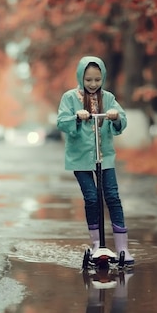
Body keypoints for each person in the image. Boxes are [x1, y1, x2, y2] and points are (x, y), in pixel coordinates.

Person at [56, 55, 134, 265]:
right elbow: (62, 122)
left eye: (97, 80)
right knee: (92, 198)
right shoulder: (70, 98)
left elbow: (122, 118)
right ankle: (97, 245)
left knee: (112, 197)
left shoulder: (107, 98)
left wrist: (115, 116)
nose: (92, 84)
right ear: (81, 77)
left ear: (103, 78)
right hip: (80, 158)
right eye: (88, 79)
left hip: (104, 156)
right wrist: (76, 117)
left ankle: (122, 248)